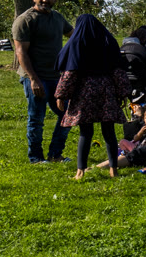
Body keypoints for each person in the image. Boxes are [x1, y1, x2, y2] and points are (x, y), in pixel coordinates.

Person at [53, 14, 130, 180]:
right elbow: (118, 70)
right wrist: (123, 93)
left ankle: (80, 171)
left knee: (85, 133)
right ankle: (113, 169)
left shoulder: (76, 44)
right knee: (109, 131)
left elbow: (70, 73)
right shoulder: (108, 42)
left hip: (84, 92)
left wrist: (61, 95)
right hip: (106, 90)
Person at [12, 0, 72, 164]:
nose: (45, 0)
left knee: (67, 113)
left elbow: (74, 35)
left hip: (56, 77)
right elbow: (21, 52)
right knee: (37, 119)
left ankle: (55, 155)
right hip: (36, 77)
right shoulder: (25, 20)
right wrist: (33, 79)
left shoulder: (58, 18)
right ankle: (36, 158)